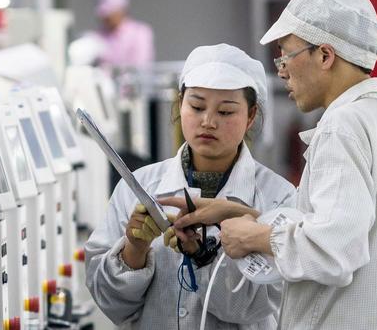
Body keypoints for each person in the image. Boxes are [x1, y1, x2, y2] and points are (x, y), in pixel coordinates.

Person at [172, 0, 377, 329]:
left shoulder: (342, 126)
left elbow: (335, 251)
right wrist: (243, 213)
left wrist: (254, 236)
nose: (282, 71)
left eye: (287, 55)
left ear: (324, 55)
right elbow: (348, 228)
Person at [85, 44, 296, 329]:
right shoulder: (138, 186)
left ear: (250, 116)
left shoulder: (278, 198)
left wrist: (202, 255)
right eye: (196, 106)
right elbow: (110, 302)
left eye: (225, 112)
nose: (208, 122)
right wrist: (134, 249)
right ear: (180, 104)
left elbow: (255, 308)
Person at [93, 0, 154, 70]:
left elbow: (141, 65)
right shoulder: (97, 36)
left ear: (122, 11)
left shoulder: (139, 32)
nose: (105, 18)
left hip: (133, 82)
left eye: (110, 13)